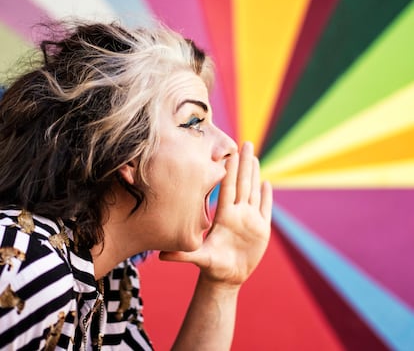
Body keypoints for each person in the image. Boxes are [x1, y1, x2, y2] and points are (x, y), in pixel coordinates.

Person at [0, 20, 272, 350]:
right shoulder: (28, 266)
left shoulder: (114, 281)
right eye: (194, 122)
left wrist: (223, 284)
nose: (228, 144)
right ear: (125, 152)